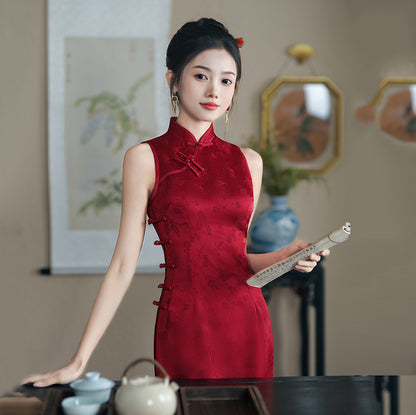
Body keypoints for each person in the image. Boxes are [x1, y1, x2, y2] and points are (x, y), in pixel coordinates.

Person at [24, 18, 328, 386]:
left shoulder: (250, 162)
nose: (214, 90)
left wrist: (286, 256)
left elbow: (236, 260)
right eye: (201, 76)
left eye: (226, 80)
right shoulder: (144, 158)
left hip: (248, 324)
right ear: (173, 81)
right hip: (185, 326)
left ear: (234, 91)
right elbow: (122, 265)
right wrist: (78, 360)